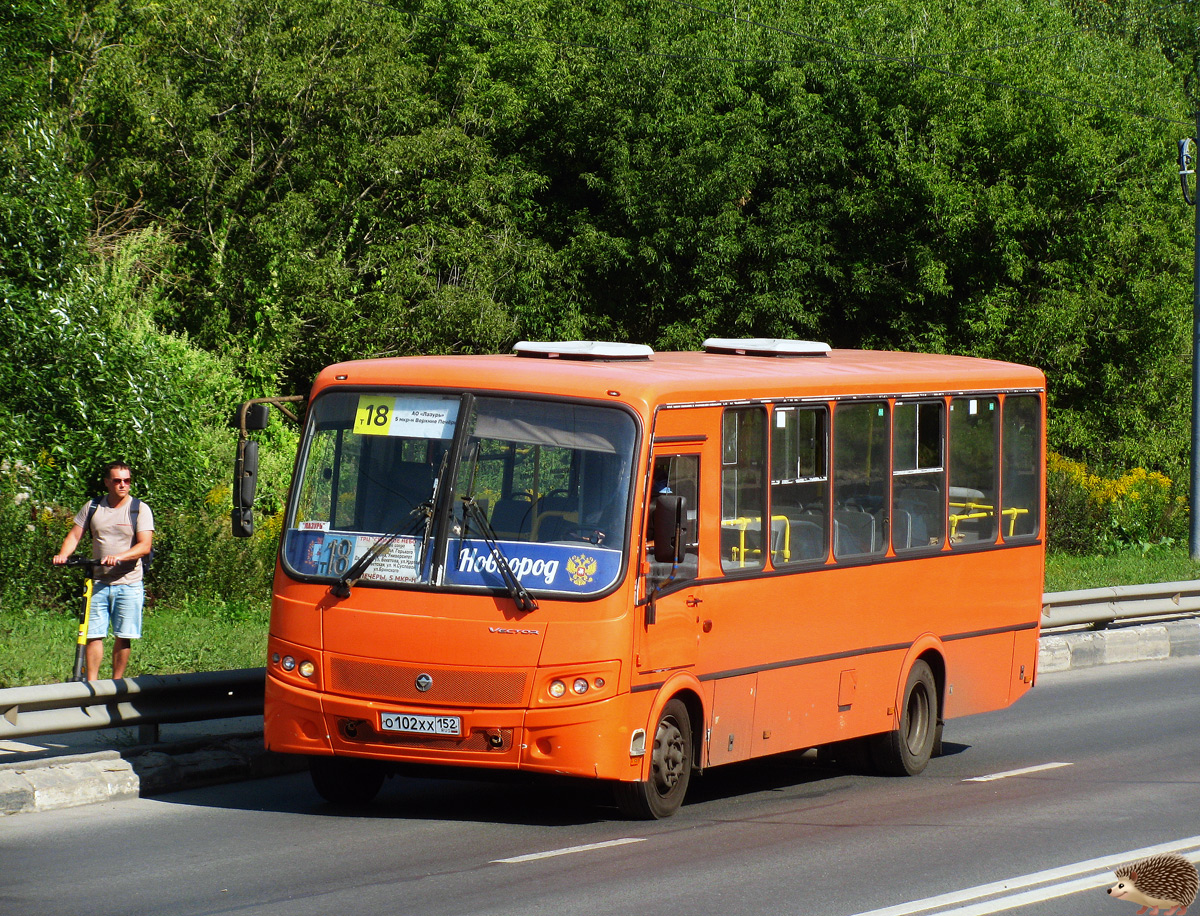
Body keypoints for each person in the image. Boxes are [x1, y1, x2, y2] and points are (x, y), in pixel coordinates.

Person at [53, 461, 154, 680]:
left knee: (123, 635)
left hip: (128, 582)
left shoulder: (139, 509)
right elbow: (74, 535)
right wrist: (64, 555)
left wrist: (118, 557)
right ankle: (93, 685)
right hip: (98, 582)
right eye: (117, 481)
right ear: (107, 482)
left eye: (126, 481)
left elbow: (144, 546)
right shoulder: (93, 507)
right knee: (93, 635)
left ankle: (116, 684)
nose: (122, 485)